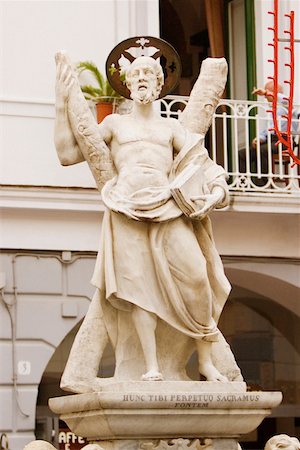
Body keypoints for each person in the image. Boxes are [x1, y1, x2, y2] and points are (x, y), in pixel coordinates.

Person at [54, 50, 231, 384]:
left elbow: (206, 166)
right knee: (140, 293)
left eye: (148, 75)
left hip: (170, 208)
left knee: (198, 279)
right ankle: (151, 366)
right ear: (126, 85)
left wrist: (218, 193)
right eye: (135, 76)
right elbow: (66, 154)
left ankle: (206, 362)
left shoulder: (172, 129)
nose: (141, 80)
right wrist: (59, 102)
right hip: (126, 210)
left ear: (160, 83)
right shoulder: (114, 124)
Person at [238, 81, 298, 185]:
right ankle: (244, 184)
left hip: (284, 140)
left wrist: (265, 92)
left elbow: (284, 99)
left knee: (262, 150)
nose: (266, 98)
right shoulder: (270, 109)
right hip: (271, 139)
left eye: (268, 94)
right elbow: (268, 129)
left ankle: (262, 184)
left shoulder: (286, 105)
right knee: (242, 154)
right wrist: (260, 138)